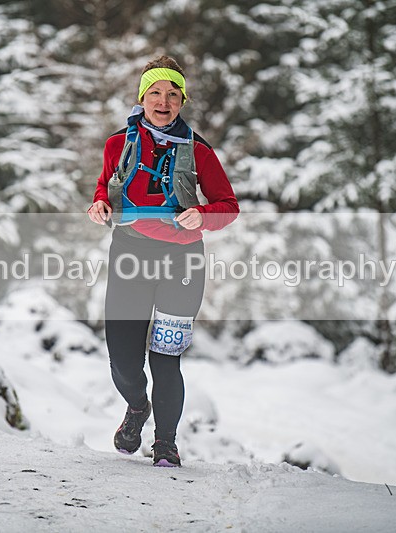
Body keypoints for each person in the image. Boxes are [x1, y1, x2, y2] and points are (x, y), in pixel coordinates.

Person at [87, 55, 239, 467]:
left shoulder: (199, 151)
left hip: (182, 260)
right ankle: (138, 407)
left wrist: (204, 215)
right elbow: (105, 186)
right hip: (130, 254)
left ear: (183, 101)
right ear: (142, 97)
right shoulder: (118, 144)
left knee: (165, 357)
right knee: (122, 359)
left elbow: (229, 206)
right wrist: (100, 204)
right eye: (155, 92)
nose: (164, 100)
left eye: (173, 94)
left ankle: (166, 444)